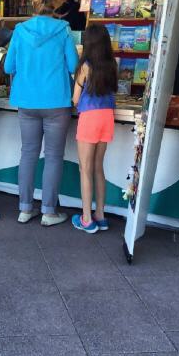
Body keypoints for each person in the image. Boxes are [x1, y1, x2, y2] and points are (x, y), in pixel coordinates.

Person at [4, 0, 78, 226]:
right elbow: (73, 66)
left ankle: (25, 208)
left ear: (34, 2)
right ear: (56, 2)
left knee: (28, 153)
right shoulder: (64, 29)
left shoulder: (20, 30)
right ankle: (48, 211)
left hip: (26, 101)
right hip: (56, 100)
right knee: (53, 156)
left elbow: (8, 67)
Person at [71, 24, 118, 232]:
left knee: (85, 169)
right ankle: (100, 215)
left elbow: (75, 99)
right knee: (98, 167)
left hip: (89, 118)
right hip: (107, 117)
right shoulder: (112, 65)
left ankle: (86, 219)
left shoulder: (85, 66)